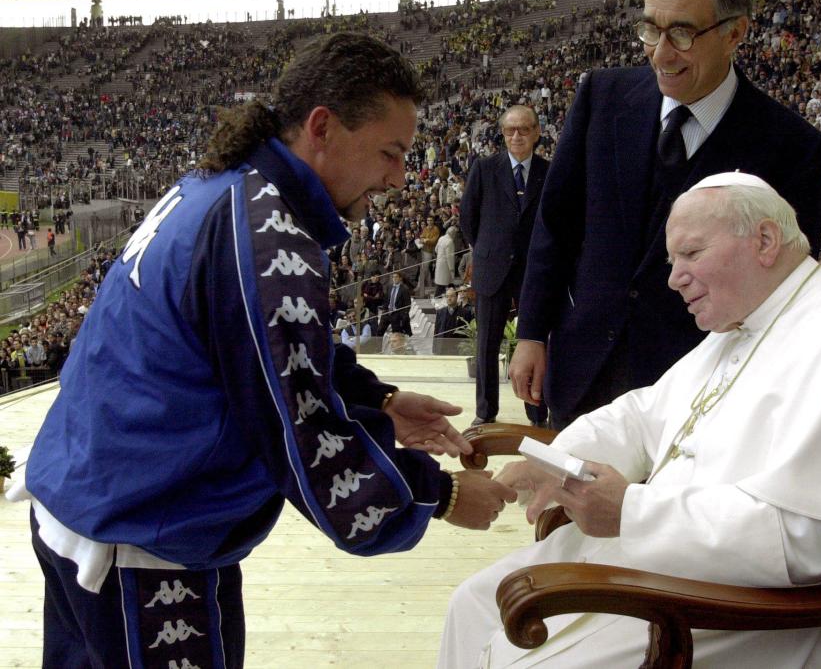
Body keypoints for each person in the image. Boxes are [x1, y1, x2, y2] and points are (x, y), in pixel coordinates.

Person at [9, 33, 515, 669]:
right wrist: (436, 497)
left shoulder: (224, 187)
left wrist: (377, 400)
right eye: (390, 153)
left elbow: (252, 349)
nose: (399, 177)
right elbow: (300, 436)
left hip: (91, 504)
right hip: (145, 538)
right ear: (322, 127)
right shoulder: (267, 235)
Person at [439, 172, 821, 668]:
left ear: (764, 241)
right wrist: (558, 460)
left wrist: (631, 513)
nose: (673, 278)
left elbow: (808, 543)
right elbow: (646, 415)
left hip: (752, 617)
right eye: (672, 259)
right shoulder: (747, 322)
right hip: (671, 563)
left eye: (691, 253)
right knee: (473, 605)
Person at [509, 0, 821, 430]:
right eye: (650, 30)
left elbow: (787, 290)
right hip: (583, 372)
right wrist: (532, 333)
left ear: (735, 32)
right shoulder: (601, 96)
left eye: (681, 33)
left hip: (702, 398)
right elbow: (555, 223)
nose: (660, 53)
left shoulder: (792, 148)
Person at [460, 105, 550, 427]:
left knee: (535, 341)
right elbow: (467, 220)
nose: (517, 136)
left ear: (537, 132)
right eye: (511, 130)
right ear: (502, 133)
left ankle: (538, 413)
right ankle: (485, 413)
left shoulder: (548, 170)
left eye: (524, 129)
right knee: (487, 344)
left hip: (534, 272)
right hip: (492, 268)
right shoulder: (484, 169)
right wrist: (487, 250)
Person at [379, 270, 412, 336]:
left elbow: (407, 304)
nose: (394, 279)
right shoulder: (389, 287)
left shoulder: (404, 289)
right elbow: (386, 299)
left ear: (400, 278)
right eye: (393, 277)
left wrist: (403, 315)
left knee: (396, 333)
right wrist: (384, 310)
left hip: (397, 313)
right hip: (387, 312)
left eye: (396, 277)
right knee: (379, 331)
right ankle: (378, 345)